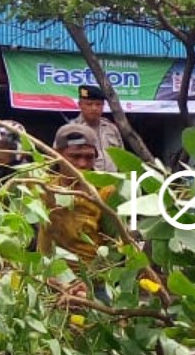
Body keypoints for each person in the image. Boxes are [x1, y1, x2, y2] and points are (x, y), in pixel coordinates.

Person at [36, 123, 115, 264]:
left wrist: (90, 278)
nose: (82, 163)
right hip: (49, 275)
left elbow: (117, 245)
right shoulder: (43, 188)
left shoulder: (106, 192)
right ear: (57, 155)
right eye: (75, 156)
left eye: (89, 157)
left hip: (93, 278)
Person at [71, 84, 129, 155]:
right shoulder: (71, 129)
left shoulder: (111, 128)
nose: (94, 108)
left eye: (98, 104)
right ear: (80, 105)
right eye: (89, 104)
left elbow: (122, 154)